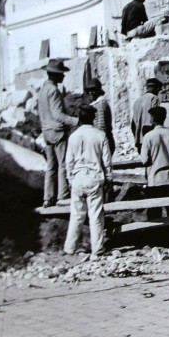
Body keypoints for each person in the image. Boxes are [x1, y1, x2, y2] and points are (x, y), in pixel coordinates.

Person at [64, 105, 112, 259]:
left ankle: (70, 247)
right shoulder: (100, 135)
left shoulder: (73, 136)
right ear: (93, 118)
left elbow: (69, 162)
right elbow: (107, 161)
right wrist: (109, 179)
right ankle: (97, 249)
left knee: (76, 215)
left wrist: (70, 179)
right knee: (96, 215)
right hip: (94, 177)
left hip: (78, 178)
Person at [38, 58, 79, 207]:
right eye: (61, 73)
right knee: (63, 165)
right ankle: (62, 196)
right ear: (55, 75)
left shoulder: (42, 90)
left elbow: (43, 113)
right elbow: (58, 115)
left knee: (50, 166)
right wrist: (76, 121)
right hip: (57, 131)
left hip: (46, 132)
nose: (63, 76)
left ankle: (47, 198)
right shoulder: (54, 90)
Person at [140, 105, 169, 221]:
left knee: (154, 213)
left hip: (155, 180)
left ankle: (157, 237)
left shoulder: (148, 137)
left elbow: (144, 161)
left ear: (152, 119)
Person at [83, 78, 116, 155]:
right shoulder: (97, 103)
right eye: (89, 91)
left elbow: (101, 127)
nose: (90, 92)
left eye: (93, 90)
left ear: (98, 91)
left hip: (102, 141)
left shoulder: (100, 103)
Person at [131, 78, 162, 154]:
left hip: (139, 138)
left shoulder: (137, 101)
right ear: (157, 88)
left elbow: (133, 124)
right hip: (149, 135)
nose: (158, 92)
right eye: (159, 89)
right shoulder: (154, 98)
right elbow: (155, 117)